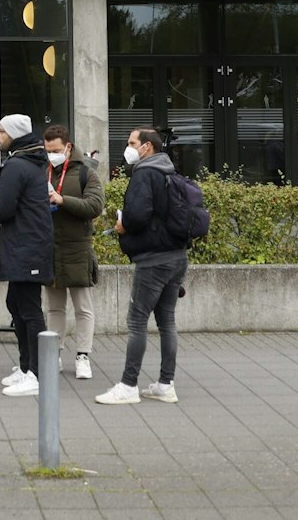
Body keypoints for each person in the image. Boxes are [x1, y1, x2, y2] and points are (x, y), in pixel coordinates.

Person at [96, 127, 189, 406]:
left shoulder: (144, 173)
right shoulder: (168, 171)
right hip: (176, 256)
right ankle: (165, 384)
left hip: (153, 259)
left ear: (147, 147)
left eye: (131, 143)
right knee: (167, 321)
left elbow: (137, 215)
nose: (128, 148)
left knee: (137, 322)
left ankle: (128, 385)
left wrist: (123, 225)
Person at [0, 113, 54, 397]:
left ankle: (36, 373)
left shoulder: (17, 165)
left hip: (28, 245)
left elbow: (4, 209)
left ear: (13, 134)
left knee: (29, 309)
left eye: (0, 131)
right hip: (25, 244)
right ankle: (26, 366)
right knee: (16, 303)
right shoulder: (29, 161)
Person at [43, 124, 105, 380]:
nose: (51, 155)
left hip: (78, 247)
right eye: (47, 150)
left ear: (68, 147)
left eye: (55, 150)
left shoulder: (86, 173)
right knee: (54, 308)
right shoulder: (43, 170)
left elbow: (95, 206)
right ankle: (54, 353)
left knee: (83, 307)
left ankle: (83, 356)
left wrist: (62, 200)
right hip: (50, 247)